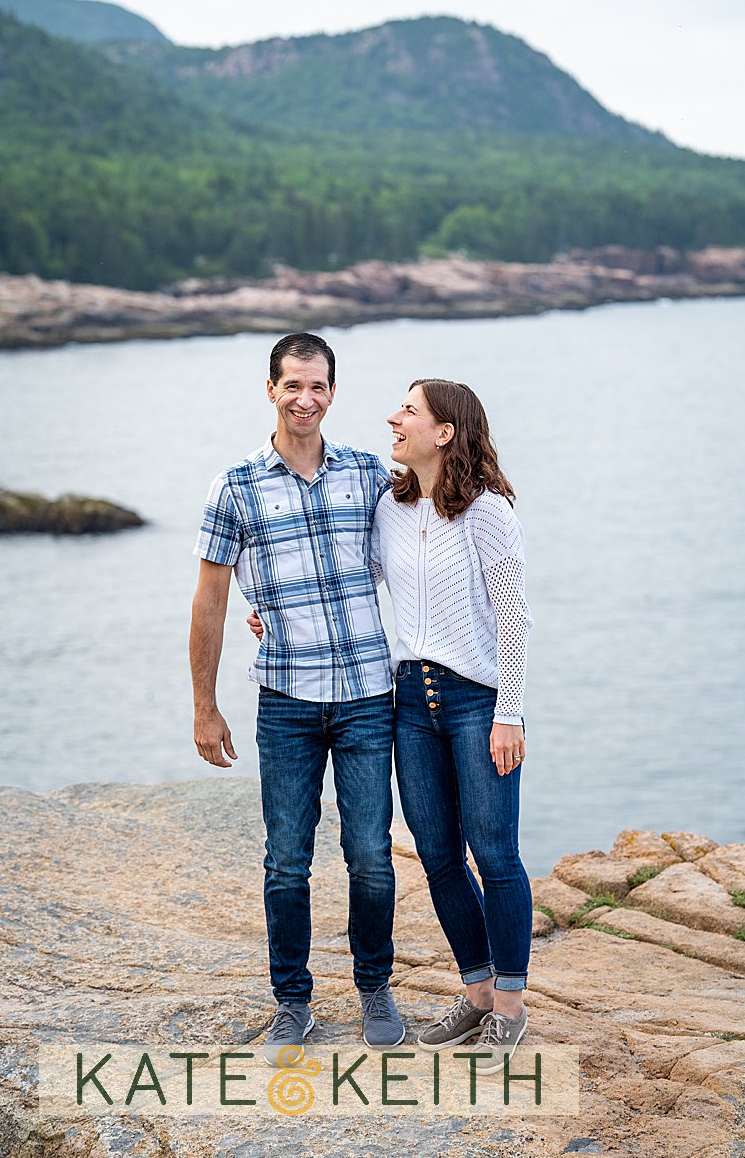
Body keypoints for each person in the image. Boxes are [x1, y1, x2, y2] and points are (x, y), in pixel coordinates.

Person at [190, 331, 404, 1065]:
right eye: (292, 385)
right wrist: (204, 704)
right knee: (286, 859)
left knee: (371, 856)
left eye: (318, 386)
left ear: (333, 391)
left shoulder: (371, 475)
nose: (305, 399)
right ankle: (294, 1000)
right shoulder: (236, 486)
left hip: (370, 695)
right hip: (284, 699)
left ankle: (375, 985)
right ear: (271, 390)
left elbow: (424, 551)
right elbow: (210, 602)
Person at [378, 378, 534, 1076]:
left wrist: (509, 711)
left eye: (409, 410)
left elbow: (515, 618)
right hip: (408, 700)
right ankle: (474, 990)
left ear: (443, 431)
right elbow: (353, 582)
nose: (395, 417)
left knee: (493, 853)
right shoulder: (390, 505)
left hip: (476, 700)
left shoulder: (486, 512)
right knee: (438, 853)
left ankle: (509, 1005)